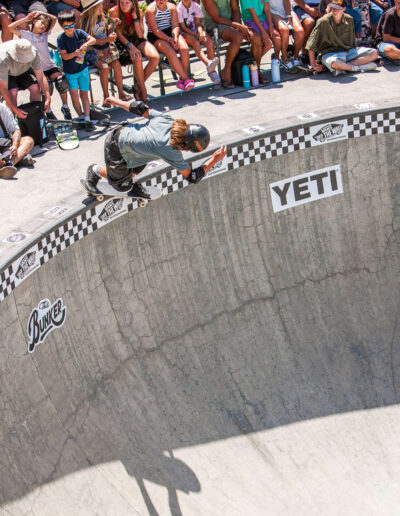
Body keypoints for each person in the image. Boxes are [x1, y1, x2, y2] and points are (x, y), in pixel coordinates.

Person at [84, 97, 227, 198]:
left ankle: (129, 177)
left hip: (126, 134)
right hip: (116, 148)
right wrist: (214, 159)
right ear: (186, 145)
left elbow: (140, 108)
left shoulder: (168, 120)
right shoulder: (171, 151)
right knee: (123, 187)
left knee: (137, 168)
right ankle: (95, 171)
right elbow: (192, 177)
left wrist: (117, 101)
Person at [9, 10, 72, 120]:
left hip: (50, 66)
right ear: (34, 21)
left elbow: (54, 18)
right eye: (42, 23)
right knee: (46, 85)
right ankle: (49, 111)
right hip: (37, 68)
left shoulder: (44, 35)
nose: (44, 26)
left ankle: (65, 107)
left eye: (46, 25)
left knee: (62, 82)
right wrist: (25, 19)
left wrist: (40, 12)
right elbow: (10, 27)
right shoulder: (25, 34)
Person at [201, 0, 264, 88]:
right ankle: (227, 70)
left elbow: (235, 9)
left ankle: (255, 70)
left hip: (232, 23)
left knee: (256, 38)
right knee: (237, 37)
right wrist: (237, 26)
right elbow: (216, 18)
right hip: (214, 25)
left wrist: (238, 26)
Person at [79, 0, 131, 105]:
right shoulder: (85, 23)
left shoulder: (102, 17)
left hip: (104, 48)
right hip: (92, 50)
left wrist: (113, 25)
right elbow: (90, 41)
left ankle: (121, 93)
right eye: (99, 6)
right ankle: (106, 96)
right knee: (104, 67)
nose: (101, 8)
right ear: (92, 10)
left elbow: (106, 31)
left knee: (116, 64)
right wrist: (107, 39)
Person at [306, 0, 379, 75]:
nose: (334, 11)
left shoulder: (349, 19)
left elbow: (352, 44)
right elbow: (311, 44)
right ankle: (357, 68)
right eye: (333, 7)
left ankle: (344, 67)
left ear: (344, 8)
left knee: (374, 53)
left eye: (337, 8)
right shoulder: (323, 21)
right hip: (330, 54)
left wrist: (354, 54)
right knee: (335, 64)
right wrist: (313, 64)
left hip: (347, 52)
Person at [110, 0, 159, 102]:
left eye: (127, 3)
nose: (124, 6)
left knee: (155, 58)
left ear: (133, 3)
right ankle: (143, 90)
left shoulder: (139, 11)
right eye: (121, 2)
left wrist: (135, 17)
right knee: (137, 57)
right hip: (122, 42)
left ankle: (137, 87)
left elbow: (140, 35)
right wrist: (130, 46)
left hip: (136, 39)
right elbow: (118, 33)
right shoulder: (114, 12)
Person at [57, 9, 96, 130]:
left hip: (82, 69)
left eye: (72, 25)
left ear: (75, 22)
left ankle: (87, 118)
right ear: (61, 26)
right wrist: (74, 53)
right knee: (74, 96)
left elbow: (92, 39)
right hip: (71, 72)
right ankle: (80, 117)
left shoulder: (79, 33)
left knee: (84, 94)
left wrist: (85, 44)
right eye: (66, 27)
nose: (69, 29)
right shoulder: (61, 39)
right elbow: (64, 56)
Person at [145, 0, 195, 91]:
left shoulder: (172, 7)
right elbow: (155, 30)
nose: (161, 1)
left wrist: (175, 37)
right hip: (156, 36)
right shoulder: (150, 10)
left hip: (170, 32)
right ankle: (186, 78)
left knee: (184, 48)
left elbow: (175, 25)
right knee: (170, 52)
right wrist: (168, 39)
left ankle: (181, 80)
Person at [0, 39, 51, 120]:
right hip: (7, 74)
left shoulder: (33, 52)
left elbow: (40, 77)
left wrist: (48, 98)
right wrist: (15, 109)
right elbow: (3, 88)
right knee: (12, 92)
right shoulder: (3, 59)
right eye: (21, 59)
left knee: (35, 87)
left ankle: (36, 116)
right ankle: (12, 122)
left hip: (24, 70)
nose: (23, 61)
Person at [177, 0, 220, 84]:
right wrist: (195, 34)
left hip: (195, 31)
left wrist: (200, 32)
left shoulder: (196, 6)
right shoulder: (178, 8)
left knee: (209, 42)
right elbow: (183, 28)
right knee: (195, 43)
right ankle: (208, 63)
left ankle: (212, 71)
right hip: (184, 33)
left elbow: (198, 24)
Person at [239, 0, 278, 82]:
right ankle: (257, 70)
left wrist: (270, 27)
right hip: (249, 20)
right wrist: (263, 32)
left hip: (262, 19)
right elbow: (253, 14)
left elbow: (267, 8)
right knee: (259, 42)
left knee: (269, 43)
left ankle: (251, 63)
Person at [0, 101, 34, 178]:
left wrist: (14, 145)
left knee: (28, 141)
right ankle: (18, 159)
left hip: (4, 145)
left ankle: (10, 163)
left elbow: (16, 130)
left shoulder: (2, 108)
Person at [269, 0, 304, 71]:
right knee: (284, 30)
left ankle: (296, 57)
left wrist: (288, 15)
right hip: (273, 12)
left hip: (288, 10)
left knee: (300, 32)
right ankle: (284, 58)